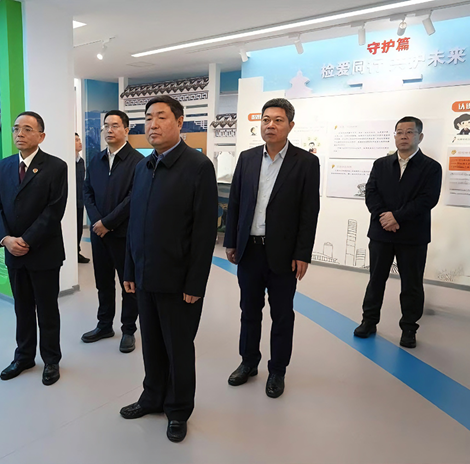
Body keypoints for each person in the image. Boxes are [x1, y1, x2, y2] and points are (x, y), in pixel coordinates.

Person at [120, 96, 218, 443]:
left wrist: (195, 283)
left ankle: (178, 409)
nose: (153, 124)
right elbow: (134, 224)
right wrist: (129, 270)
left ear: (179, 121)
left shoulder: (198, 166)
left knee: (178, 348)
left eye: (161, 117)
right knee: (151, 344)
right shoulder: (143, 166)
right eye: (148, 118)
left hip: (178, 282)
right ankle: (152, 397)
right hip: (145, 276)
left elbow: (204, 232)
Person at [224, 98, 320, 399]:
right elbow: (235, 202)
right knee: (249, 311)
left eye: (278, 120)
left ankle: (277, 370)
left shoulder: (306, 162)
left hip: (284, 253)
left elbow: (309, 211)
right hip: (250, 250)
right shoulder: (247, 158)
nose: (270, 125)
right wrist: (231, 240)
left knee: (282, 314)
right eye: (266, 119)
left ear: (290, 125)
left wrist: (302, 253)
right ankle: (248, 362)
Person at [0, 111, 68, 386]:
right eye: (16, 128)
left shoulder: (56, 167)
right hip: (13, 252)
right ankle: (23, 357)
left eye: (27, 129)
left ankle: (51, 360)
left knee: (47, 310)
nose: (19, 134)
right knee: (22, 308)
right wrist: (6, 240)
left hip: (44, 252)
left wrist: (27, 240)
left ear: (41, 136)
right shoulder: (4, 166)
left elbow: (54, 211)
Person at [354, 116, 442, 348]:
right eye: (399, 132)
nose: (404, 136)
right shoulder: (381, 164)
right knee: (376, 280)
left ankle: (409, 328)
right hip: (381, 233)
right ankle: (369, 321)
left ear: (420, 136)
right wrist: (385, 217)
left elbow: (428, 199)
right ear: (394, 136)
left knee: (412, 284)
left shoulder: (431, 168)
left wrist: (397, 217)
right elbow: (371, 193)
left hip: (413, 236)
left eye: (409, 132)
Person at [81, 110, 142, 353]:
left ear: (126, 130)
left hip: (123, 234)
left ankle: (128, 330)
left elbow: (133, 198)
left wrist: (108, 222)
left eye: (115, 125)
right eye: (106, 125)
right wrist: (97, 221)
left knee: (128, 284)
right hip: (99, 234)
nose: (109, 130)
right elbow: (87, 191)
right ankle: (104, 324)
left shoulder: (138, 161)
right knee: (103, 282)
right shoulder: (96, 160)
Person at [75, 133, 90, 264]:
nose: (79, 142)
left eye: (79, 139)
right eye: (76, 140)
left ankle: (77, 252)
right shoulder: (68, 161)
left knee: (79, 228)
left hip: (80, 200)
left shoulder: (81, 161)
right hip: (71, 201)